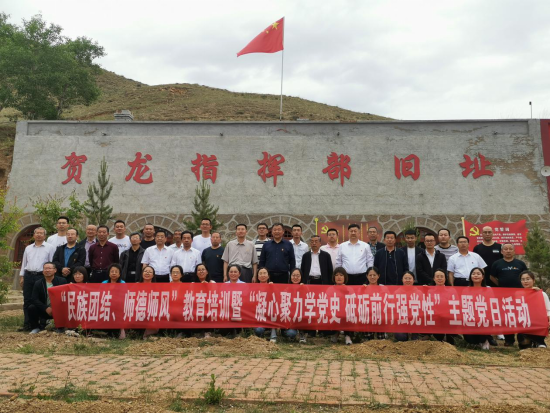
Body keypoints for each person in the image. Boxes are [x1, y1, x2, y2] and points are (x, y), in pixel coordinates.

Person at [490, 243, 528, 347]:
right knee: (507, 317)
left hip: (519, 295)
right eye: (505, 249)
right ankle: (509, 340)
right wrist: (500, 285)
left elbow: (526, 276)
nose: (508, 251)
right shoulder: (497, 263)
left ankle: (522, 339)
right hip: (503, 296)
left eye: (510, 249)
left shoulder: (520, 263)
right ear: (502, 252)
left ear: (514, 251)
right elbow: (492, 277)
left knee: (520, 316)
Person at [19, 227, 56, 332]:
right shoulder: (28, 248)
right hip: (29, 275)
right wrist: (22, 276)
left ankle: (42, 323)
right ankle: (27, 324)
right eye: (37, 233)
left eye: (41, 233)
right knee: (27, 300)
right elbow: (24, 263)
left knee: (41, 299)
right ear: (34, 235)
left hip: (41, 276)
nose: (39, 235)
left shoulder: (50, 247)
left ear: (45, 236)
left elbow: (51, 263)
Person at [28, 262, 68, 334]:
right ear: (43, 271)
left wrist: (54, 308)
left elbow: (66, 296)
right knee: (31, 307)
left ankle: (60, 327)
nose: (47, 270)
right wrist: (46, 308)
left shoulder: (62, 281)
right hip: (44, 309)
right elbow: (34, 299)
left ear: (55, 270)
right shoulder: (38, 283)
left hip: (58, 309)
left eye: (49, 268)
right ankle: (35, 327)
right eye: (45, 269)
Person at [517, 271, 549, 349]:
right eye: (523, 279)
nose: (525, 281)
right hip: (524, 323)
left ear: (533, 280)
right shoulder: (518, 294)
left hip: (539, 324)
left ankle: (539, 342)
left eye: (528, 279)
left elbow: (548, 310)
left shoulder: (541, 294)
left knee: (540, 346)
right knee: (523, 343)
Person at [463, 268, 492, 350]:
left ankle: (486, 340)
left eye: (478, 274)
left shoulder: (488, 289)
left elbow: (491, 304)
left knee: (482, 334)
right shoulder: (466, 289)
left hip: (484, 316)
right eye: (473, 274)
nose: (476, 275)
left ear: (483, 277)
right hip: (470, 316)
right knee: (470, 339)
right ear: (470, 276)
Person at [427, 269, 456, 345]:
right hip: (435, 317)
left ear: (445, 279)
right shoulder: (429, 291)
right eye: (437, 277)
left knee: (451, 341)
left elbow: (456, 305)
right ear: (434, 279)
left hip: (449, 316)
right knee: (438, 337)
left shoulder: (452, 291)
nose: (439, 278)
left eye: (441, 276)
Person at [254, 268, 279, 343]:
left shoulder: (272, 286)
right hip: (259, 315)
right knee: (258, 330)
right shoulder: (254, 288)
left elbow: (278, 300)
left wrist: (273, 288)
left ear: (268, 276)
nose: (263, 275)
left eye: (264, 273)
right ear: (258, 277)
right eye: (260, 273)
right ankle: (263, 333)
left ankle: (273, 334)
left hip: (270, 313)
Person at [331, 268, 354, 345]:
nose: (339, 277)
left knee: (347, 313)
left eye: (341, 275)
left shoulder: (350, 289)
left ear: (345, 277)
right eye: (336, 275)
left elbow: (353, 302)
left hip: (346, 312)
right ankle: (335, 333)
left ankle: (347, 335)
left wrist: (345, 291)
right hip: (334, 312)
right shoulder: (330, 289)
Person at [394, 272, 419, 342]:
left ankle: (415, 335)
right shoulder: (397, 293)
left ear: (414, 280)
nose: (408, 280)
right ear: (402, 280)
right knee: (401, 337)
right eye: (405, 278)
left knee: (415, 339)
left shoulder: (419, 293)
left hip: (415, 320)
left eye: (410, 278)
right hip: (401, 320)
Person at [364, 267, 385, 341]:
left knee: (381, 340)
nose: (372, 277)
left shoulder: (383, 288)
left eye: (374, 275)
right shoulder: (363, 288)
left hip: (380, 313)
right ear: (367, 276)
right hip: (368, 314)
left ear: (378, 276)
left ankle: (382, 336)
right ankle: (368, 338)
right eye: (370, 275)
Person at [139, 265, 159, 339]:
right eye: (145, 271)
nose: (147, 273)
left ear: (153, 275)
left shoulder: (157, 287)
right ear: (142, 273)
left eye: (150, 272)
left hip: (151, 308)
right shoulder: (136, 285)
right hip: (138, 308)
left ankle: (148, 335)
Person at [289, 269, 307, 343]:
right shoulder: (286, 288)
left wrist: (304, 289)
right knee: (291, 333)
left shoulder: (305, 288)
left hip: (301, 314)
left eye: (298, 276)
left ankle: (302, 333)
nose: (295, 277)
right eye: (293, 275)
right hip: (290, 316)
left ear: (301, 277)